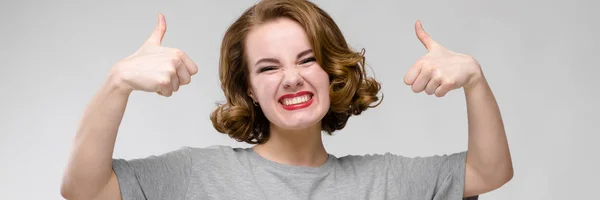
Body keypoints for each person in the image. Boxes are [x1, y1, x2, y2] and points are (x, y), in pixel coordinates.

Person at [60, 0, 513, 199]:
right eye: (269, 67)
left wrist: (474, 79)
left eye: (307, 59)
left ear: (332, 70)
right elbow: (84, 189)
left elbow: (489, 172)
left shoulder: (386, 181)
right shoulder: (198, 175)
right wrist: (117, 82)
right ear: (250, 90)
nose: (292, 78)